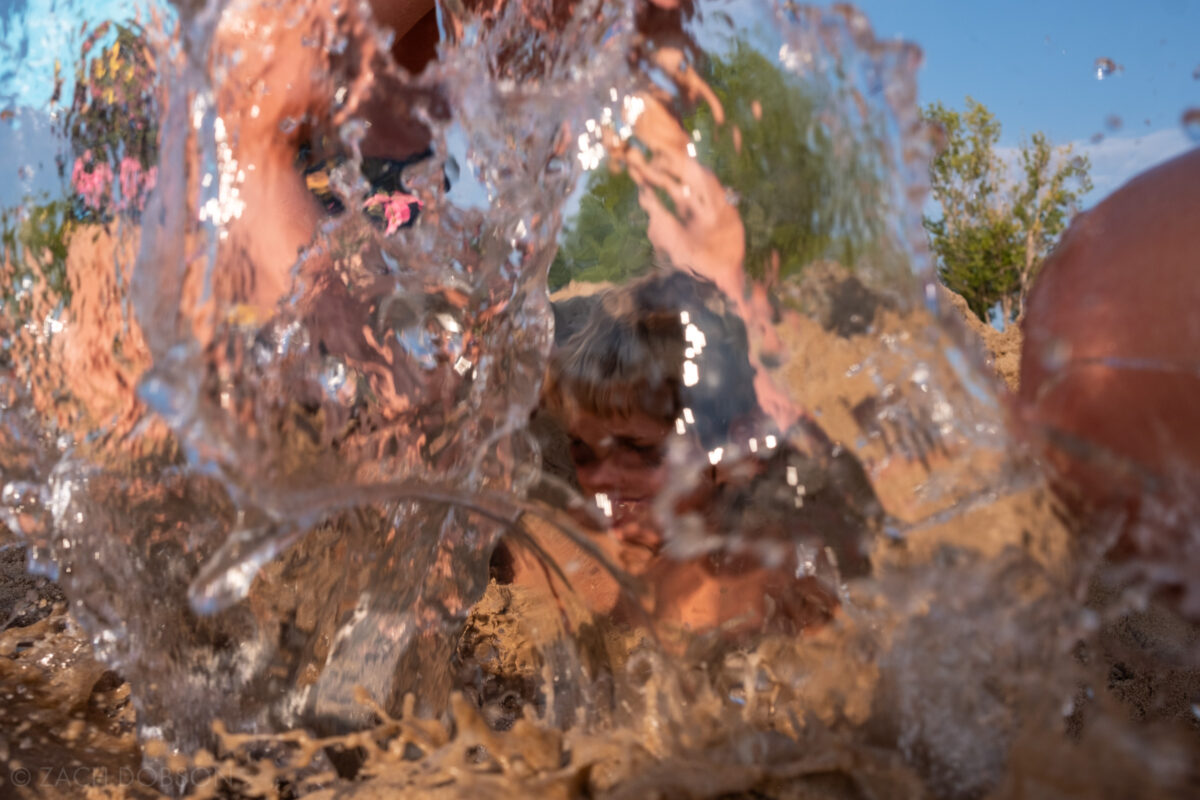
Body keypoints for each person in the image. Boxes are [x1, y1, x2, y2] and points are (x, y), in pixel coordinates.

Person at [501, 269, 881, 644]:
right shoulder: (636, 571)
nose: (602, 477)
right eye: (583, 449)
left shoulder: (785, 579)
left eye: (639, 449)